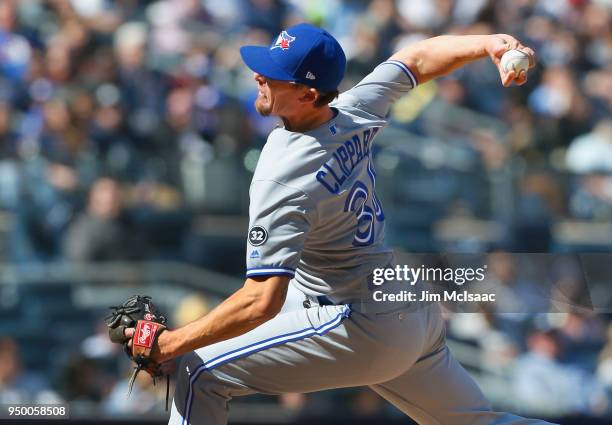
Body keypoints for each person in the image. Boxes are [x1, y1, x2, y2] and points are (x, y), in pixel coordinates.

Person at [120, 23, 553, 424]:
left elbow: (261, 301)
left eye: (274, 74)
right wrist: (488, 43)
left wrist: (172, 344)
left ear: (308, 94)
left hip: (358, 320)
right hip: (406, 300)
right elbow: (417, 60)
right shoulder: (352, 109)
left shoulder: (284, 171)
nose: (258, 76)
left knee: (198, 372)